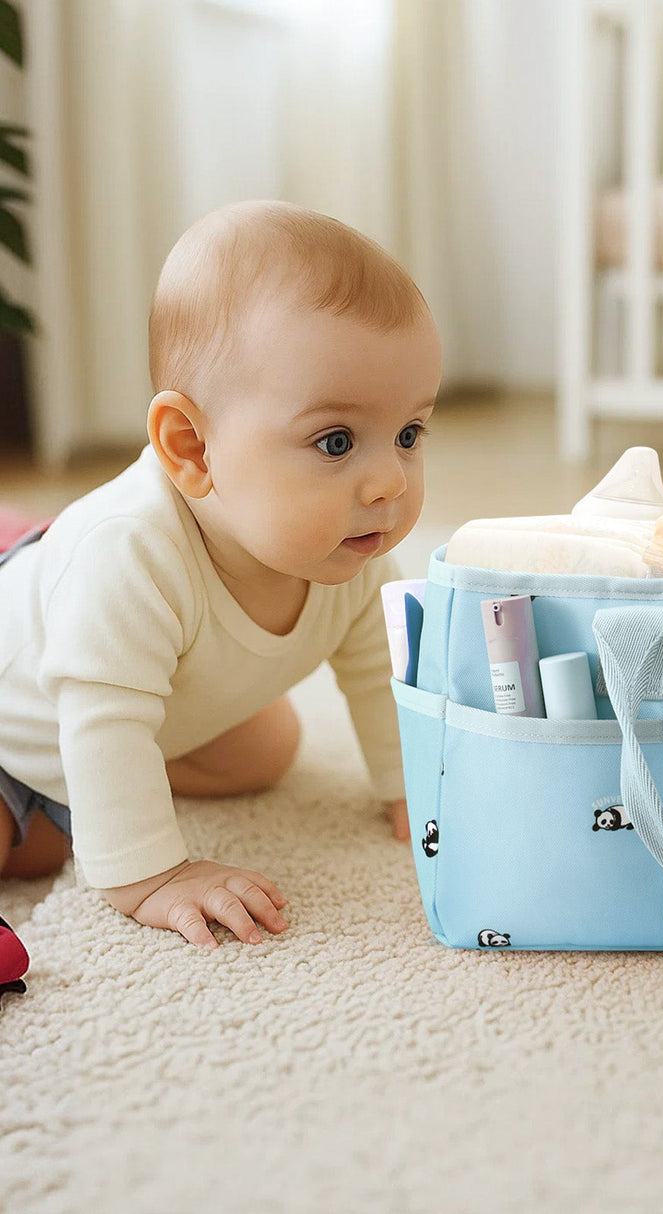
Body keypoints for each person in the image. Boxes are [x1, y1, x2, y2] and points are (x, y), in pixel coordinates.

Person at [0, 200, 440, 951]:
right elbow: (102, 718)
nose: (388, 483)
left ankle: (97, 803)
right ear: (193, 449)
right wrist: (152, 874)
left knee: (267, 747)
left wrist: (415, 795)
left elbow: (380, 676)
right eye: (336, 441)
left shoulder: (355, 552)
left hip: (143, 720)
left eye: (407, 435)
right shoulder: (129, 554)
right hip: (18, 734)